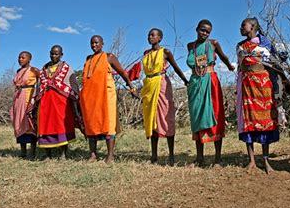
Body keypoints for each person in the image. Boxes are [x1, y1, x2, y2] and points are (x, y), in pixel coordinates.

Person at [236, 17, 288, 174]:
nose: (240, 28)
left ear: (252, 27)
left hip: (263, 85)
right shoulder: (239, 46)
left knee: (265, 120)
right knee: (248, 121)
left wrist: (283, 82)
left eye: (243, 25)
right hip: (246, 86)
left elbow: (276, 62)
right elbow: (240, 67)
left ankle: (265, 160)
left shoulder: (265, 44)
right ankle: (251, 160)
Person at [79, 35, 136, 163]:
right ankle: (93, 155)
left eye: (96, 43)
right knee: (91, 123)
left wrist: (131, 87)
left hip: (106, 94)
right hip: (90, 97)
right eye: (92, 43)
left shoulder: (109, 57)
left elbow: (122, 72)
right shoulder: (88, 59)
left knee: (109, 122)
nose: (94, 45)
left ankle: (110, 155)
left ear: (102, 44)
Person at [186, 19, 235, 167]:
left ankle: (217, 158)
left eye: (208, 31)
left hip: (211, 81)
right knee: (197, 118)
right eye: (202, 30)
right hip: (195, 83)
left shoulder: (213, 44)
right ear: (197, 29)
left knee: (215, 115)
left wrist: (230, 66)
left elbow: (223, 56)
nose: (205, 33)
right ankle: (199, 157)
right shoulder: (191, 46)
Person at [140, 28, 189, 166]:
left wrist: (186, 81)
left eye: (153, 35)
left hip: (162, 85)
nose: (150, 37)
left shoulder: (165, 52)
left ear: (160, 38)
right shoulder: (146, 54)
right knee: (152, 119)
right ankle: (154, 155)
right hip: (149, 86)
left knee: (166, 118)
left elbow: (176, 67)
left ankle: (171, 155)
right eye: (149, 34)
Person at [32, 45, 81, 160]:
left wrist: (75, 101)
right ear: (49, 53)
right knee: (45, 125)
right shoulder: (44, 68)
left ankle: (63, 153)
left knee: (62, 126)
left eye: (56, 54)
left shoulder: (66, 68)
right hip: (45, 102)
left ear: (61, 55)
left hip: (61, 102)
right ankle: (47, 154)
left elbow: (73, 84)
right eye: (52, 53)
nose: (54, 56)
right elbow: (39, 85)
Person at [10, 51, 39, 159]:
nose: (20, 59)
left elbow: (41, 83)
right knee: (19, 123)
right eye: (19, 57)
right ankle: (23, 152)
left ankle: (32, 152)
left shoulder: (34, 70)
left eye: (23, 57)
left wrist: (36, 98)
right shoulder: (18, 71)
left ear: (29, 59)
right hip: (18, 98)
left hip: (29, 97)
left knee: (30, 123)